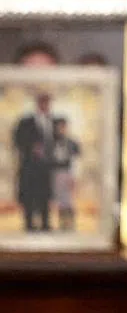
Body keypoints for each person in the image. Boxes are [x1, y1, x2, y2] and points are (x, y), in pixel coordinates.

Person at [12, 92, 54, 231]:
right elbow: (17, 140)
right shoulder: (25, 121)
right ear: (38, 104)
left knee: (45, 195)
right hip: (29, 166)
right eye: (43, 102)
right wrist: (31, 148)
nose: (46, 106)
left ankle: (45, 224)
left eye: (47, 103)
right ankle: (29, 224)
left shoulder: (53, 121)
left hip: (46, 167)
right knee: (29, 195)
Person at [49, 116, 81, 232]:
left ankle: (70, 223)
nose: (61, 129)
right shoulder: (51, 142)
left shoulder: (72, 143)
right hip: (55, 172)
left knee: (68, 199)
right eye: (59, 127)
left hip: (67, 172)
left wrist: (74, 176)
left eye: (63, 127)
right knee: (59, 200)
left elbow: (76, 161)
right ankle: (62, 223)